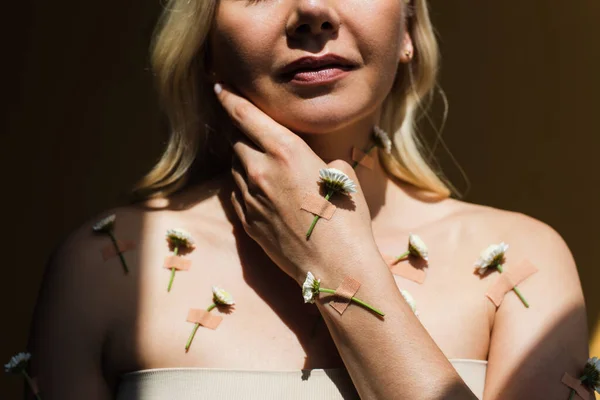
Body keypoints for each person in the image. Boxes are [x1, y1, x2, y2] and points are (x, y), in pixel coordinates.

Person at [28, 0, 589, 398]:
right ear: (202, 41)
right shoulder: (107, 266)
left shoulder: (517, 263)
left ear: (408, 28)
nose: (313, 10)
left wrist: (333, 260)